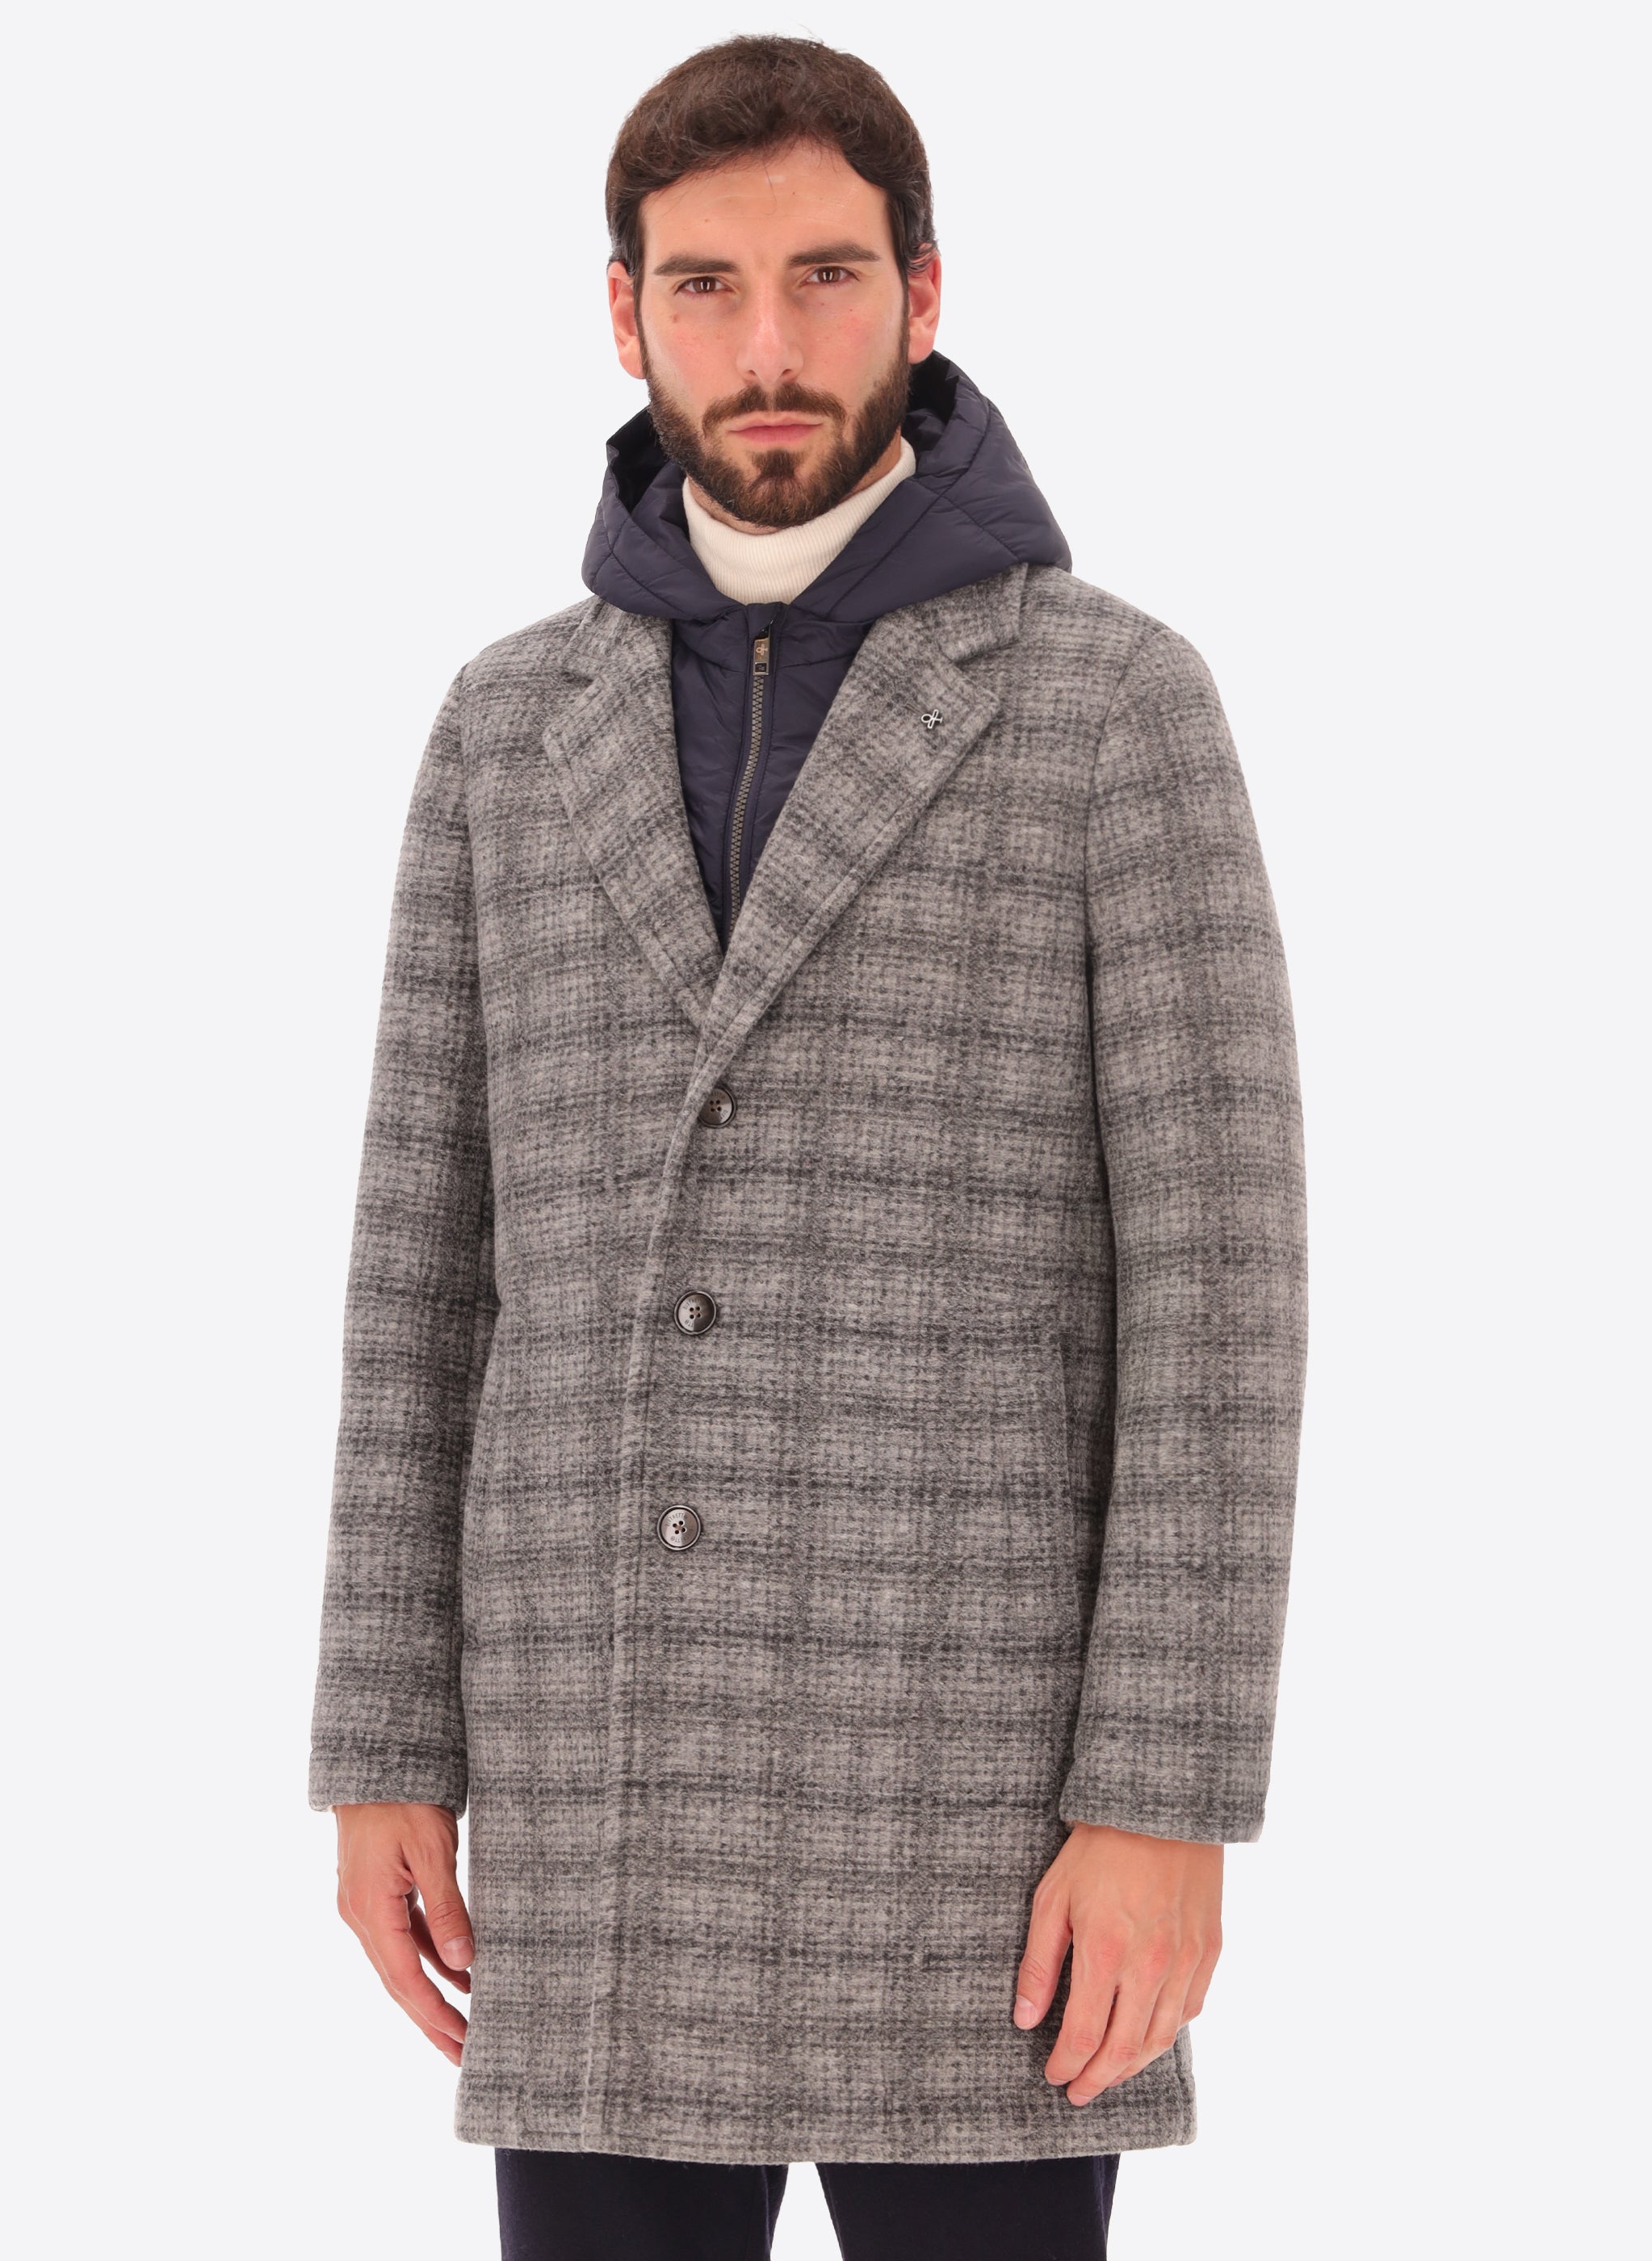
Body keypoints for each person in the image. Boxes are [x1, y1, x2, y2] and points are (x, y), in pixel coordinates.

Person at [309, 34, 1307, 2261]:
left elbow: (1220, 1295)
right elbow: (421, 1277)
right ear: (624, 313)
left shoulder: (1109, 707)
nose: (768, 347)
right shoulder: (505, 727)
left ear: (923, 294)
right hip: (597, 1785)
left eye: (827, 277)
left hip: (975, 1813)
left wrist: (1167, 1800)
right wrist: (383, 1743)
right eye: (706, 285)